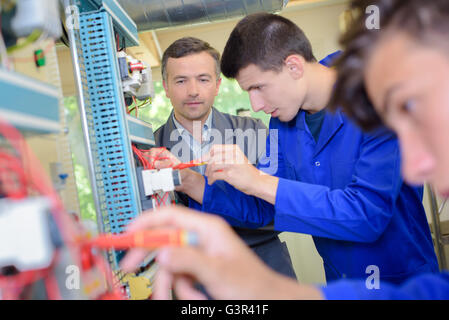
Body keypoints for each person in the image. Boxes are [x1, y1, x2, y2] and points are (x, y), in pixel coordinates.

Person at [121, 0, 449, 299]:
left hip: (402, 281)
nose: (257, 106)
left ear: (293, 66)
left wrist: (258, 180)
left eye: (258, 88)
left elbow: (366, 216)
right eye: (248, 92)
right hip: (337, 283)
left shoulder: (375, 93)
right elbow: (266, 208)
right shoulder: (284, 120)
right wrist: (190, 182)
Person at [151, 37, 296, 279]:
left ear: (217, 85)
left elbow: (281, 211)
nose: (193, 90)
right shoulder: (150, 150)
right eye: (181, 80)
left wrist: (198, 188)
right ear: (165, 87)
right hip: (194, 279)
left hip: (264, 268)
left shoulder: (255, 132)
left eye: (203, 79)